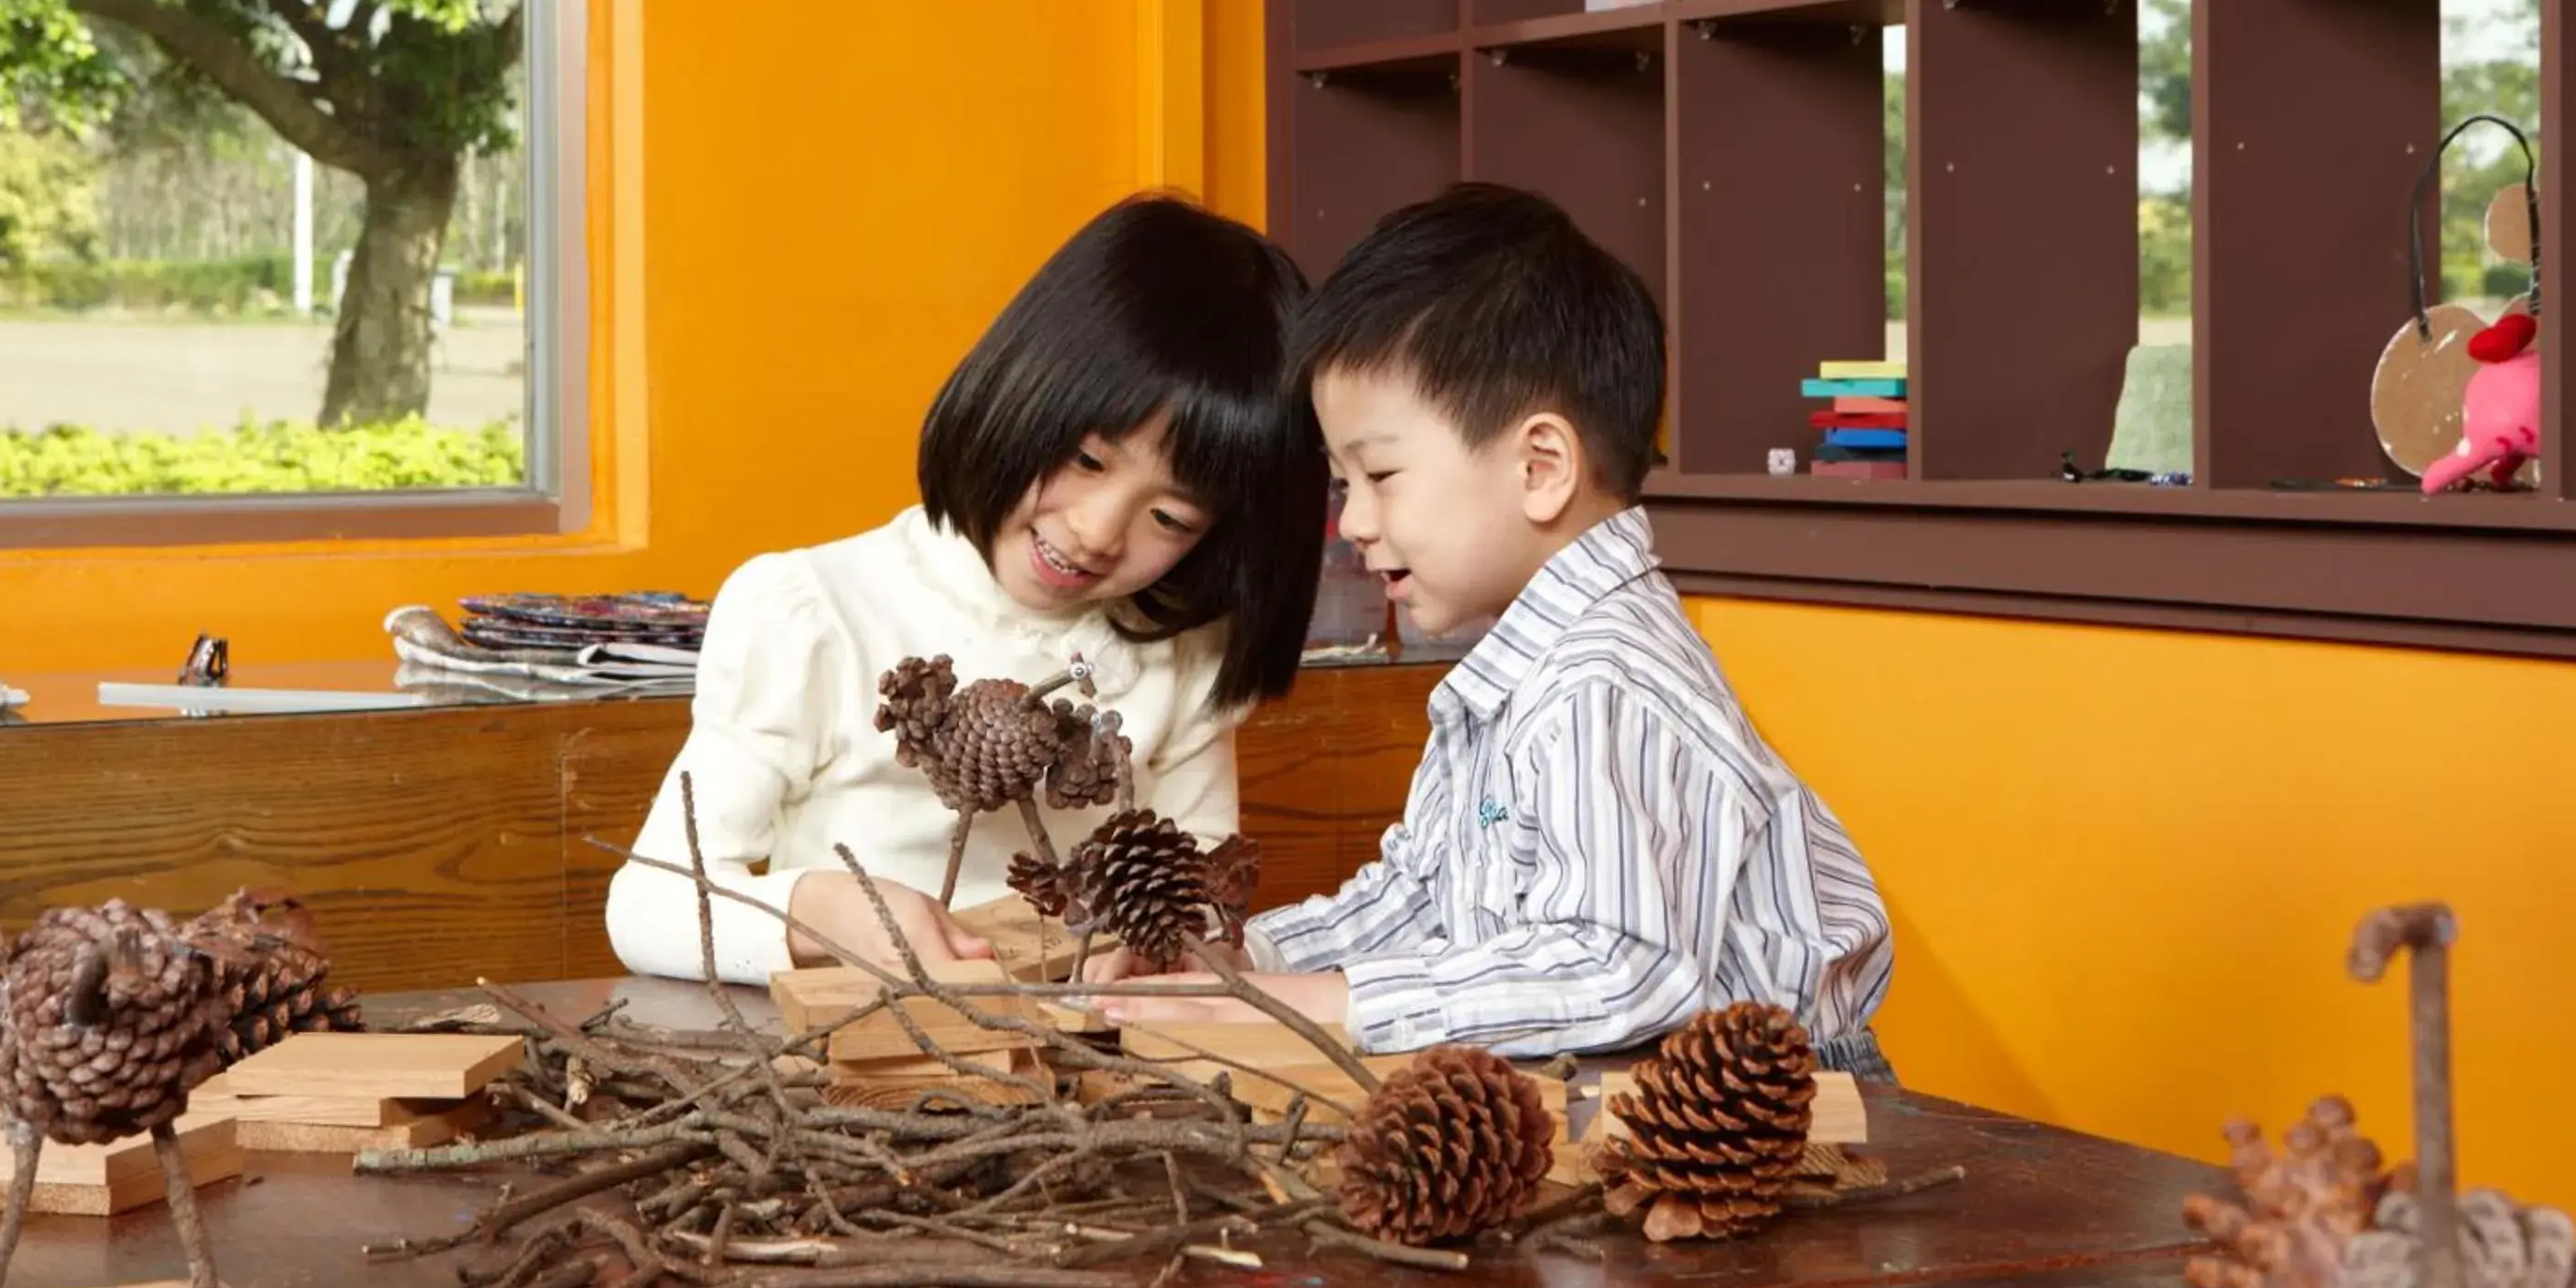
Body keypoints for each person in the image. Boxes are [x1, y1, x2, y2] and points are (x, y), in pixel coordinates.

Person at [1094, 183, 1896, 1075]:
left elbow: (1614, 960)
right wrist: (1248, 963)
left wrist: (1342, 1001)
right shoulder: (1512, 669)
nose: (1353, 520)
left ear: (1541, 466)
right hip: (1629, 1085)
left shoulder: (1606, 676)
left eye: (1380, 473)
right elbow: (1417, 894)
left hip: (1777, 1106)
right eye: (1341, 483)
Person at [606, 192, 1328, 983]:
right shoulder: (816, 612)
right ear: (1024, 387)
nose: (1096, 531)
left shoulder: (1182, 657)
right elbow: (647, 907)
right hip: (842, 1073)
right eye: (1088, 461)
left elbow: (1198, 900)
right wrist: (816, 912)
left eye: (1169, 517)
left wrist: (1182, 947)